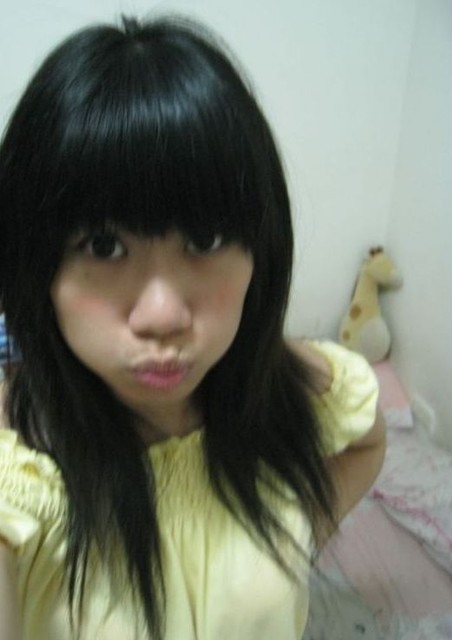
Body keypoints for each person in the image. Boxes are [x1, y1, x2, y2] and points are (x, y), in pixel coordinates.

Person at [0, 15, 385, 640]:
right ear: (36, 266)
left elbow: (368, 442)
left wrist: (292, 544)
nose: (163, 317)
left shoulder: (286, 393)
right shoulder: (19, 471)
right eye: (103, 246)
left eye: (204, 239)